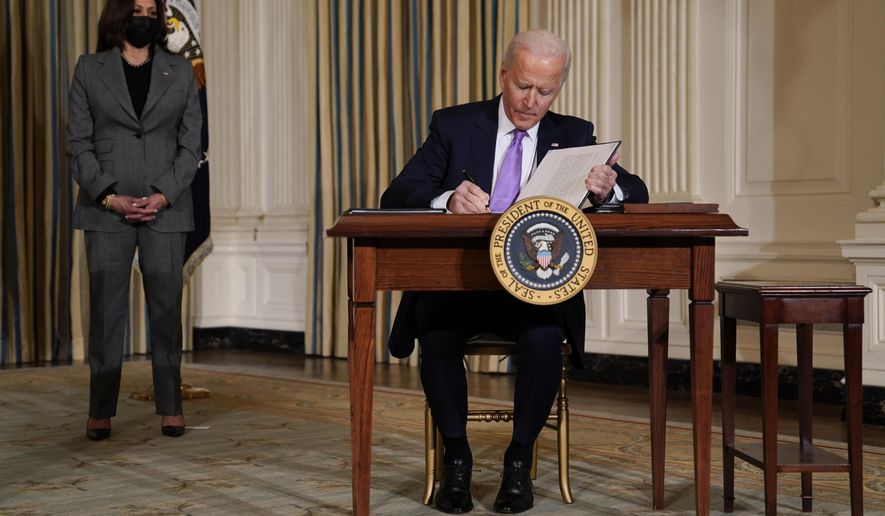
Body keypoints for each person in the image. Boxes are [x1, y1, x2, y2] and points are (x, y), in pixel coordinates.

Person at [380, 30, 648, 513]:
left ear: (559, 87)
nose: (532, 101)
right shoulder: (455, 125)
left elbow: (638, 192)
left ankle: (518, 463)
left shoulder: (575, 134)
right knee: (436, 336)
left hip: (534, 288)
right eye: (523, 86)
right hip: (459, 283)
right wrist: (447, 199)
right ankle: (456, 461)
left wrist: (607, 188)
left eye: (546, 91)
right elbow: (396, 195)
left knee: (544, 338)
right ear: (503, 74)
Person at [67, 0, 202, 441]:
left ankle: (171, 406)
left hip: (168, 206)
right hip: (105, 208)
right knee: (106, 313)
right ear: (118, 15)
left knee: (166, 310)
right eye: (136, 8)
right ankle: (100, 410)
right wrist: (109, 197)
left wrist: (164, 194)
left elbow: (191, 143)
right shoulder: (89, 69)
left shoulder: (181, 70)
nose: (144, 16)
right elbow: (78, 144)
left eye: (151, 10)